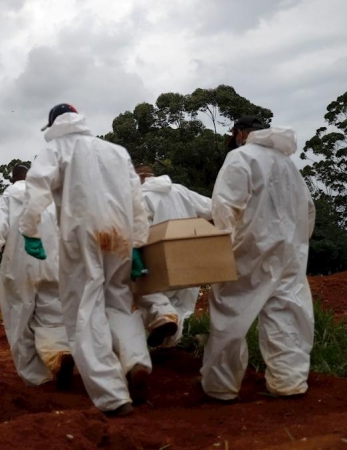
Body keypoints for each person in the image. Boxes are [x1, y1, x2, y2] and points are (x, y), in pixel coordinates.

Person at [18, 103, 151, 416]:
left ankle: (112, 395)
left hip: (82, 233)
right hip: (120, 233)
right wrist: (138, 243)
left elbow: (37, 187)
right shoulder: (115, 150)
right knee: (117, 302)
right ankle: (136, 361)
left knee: (84, 310)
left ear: (53, 125)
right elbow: (136, 198)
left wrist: (30, 230)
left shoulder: (56, 148)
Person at [201, 117, 316, 402]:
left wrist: (222, 246)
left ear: (240, 133)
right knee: (287, 311)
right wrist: (299, 241)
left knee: (231, 309)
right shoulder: (288, 165)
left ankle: (220, 386)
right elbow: (309, 208)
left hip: (251, 248)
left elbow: (225, 205)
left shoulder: (240, 157)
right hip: (290, 251)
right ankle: (288, 381)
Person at [0, 164, 73, 388]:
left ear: (13, 179)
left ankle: (37, 377)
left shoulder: (12, 193)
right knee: (53, 314)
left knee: (19, 318)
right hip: (53, 263)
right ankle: (60, 352)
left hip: (21, 263)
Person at [133, 165, 213, 348]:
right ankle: (170, 349)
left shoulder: (140, 196)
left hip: (160, 259)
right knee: (183, 308)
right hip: (192, 258)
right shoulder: (181, 190)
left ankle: (163, 317)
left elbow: (138, 230)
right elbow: (212, 208)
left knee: (148, 293)